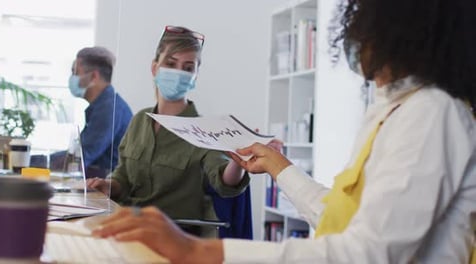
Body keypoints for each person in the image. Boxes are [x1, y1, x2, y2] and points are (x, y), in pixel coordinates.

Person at [91, 0, 476, 263]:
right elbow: (340, 215)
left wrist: (201, 252)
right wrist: (279, 167)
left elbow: (367, 254)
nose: (355, 36)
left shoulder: (431, 112)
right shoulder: (393, 111)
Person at [87, 26, 250, 237]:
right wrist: (109, 185)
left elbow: (225, 182)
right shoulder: (140, 119)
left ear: (195, 76)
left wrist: (239, 161)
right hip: (126, 224)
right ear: (155, 68)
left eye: (188, 67)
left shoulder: (203, 130)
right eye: (171, 64)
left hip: (172, 235)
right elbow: (124, 176)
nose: (178, 73)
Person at [51, 47, 133, 178]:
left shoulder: (108, 109)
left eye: (75, 72)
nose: (72, 78)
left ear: (94, 76)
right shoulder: (104, 106)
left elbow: (81, 157)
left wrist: (36, 162)